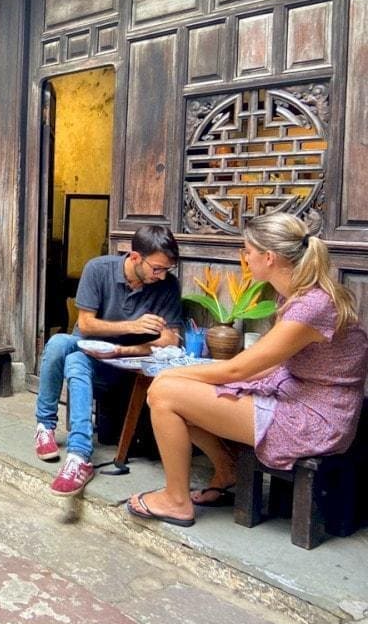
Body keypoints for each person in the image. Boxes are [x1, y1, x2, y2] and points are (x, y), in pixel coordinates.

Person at [127, 212, 368, 526]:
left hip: (315, 417)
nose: (245, 258)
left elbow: (236, 371)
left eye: (248, 251)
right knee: (178, 390)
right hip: (295, 395)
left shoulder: (312, 306)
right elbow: (260, 366)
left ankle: (176, 501)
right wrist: (184, 377)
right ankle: (226, 469)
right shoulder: (294, 296)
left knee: (164, 392)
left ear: (269, 257)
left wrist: (170, 375)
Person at [34, 226, 184, 496]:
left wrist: (126, 350)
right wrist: (132, 326)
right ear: (135, 257)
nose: (162, 276)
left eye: (167, 269)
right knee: (60, 346)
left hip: (124, 363)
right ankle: (51, 430)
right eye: (157, 269)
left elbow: (171, 339)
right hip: (88, 347)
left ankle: (78, 456)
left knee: (74, 361)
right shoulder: (98, 269)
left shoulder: (167, 285)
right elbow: (85, 325)